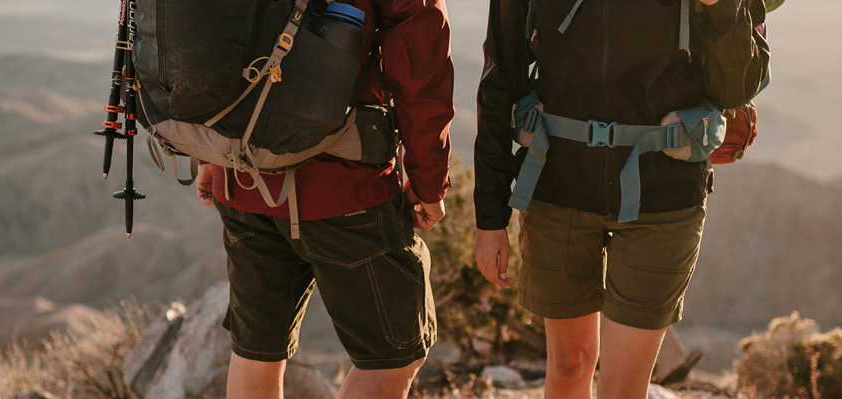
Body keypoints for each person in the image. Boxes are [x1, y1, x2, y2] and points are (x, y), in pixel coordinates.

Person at [473, 0, 769, 398]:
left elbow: (737, 88)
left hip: (663, 198)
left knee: (623, 390)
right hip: (558, 188)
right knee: (569, 365)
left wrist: (722, 8)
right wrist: (489, 216)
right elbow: (499, 80)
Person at [194, 1, 453, 398]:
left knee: (258, 350)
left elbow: (202, 45)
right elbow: (420, 67)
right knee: (393, 356)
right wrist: (428, 179)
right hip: (343, 189)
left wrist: (209, 153)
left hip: (242, 179)